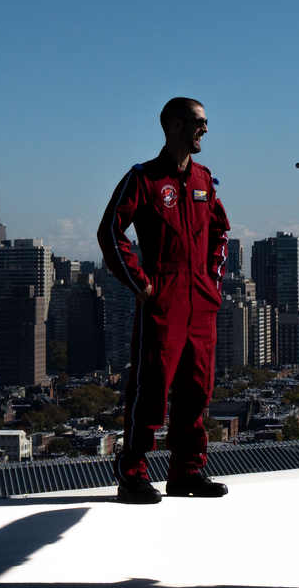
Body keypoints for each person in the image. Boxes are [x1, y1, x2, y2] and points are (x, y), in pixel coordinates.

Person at [97, 96, 231, 503]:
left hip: (201, 302)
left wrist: (213, 279)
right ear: (174, 125)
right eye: (198, 122)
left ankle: (186, 473)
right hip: (164, 297)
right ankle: (132, 473)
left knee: (197, 389)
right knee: (151, 386)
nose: (205, 129)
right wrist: (141, 284)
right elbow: (110, 232)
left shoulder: (205, 180)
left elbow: (221, 232)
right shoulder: (144, 179)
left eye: (205, 122)